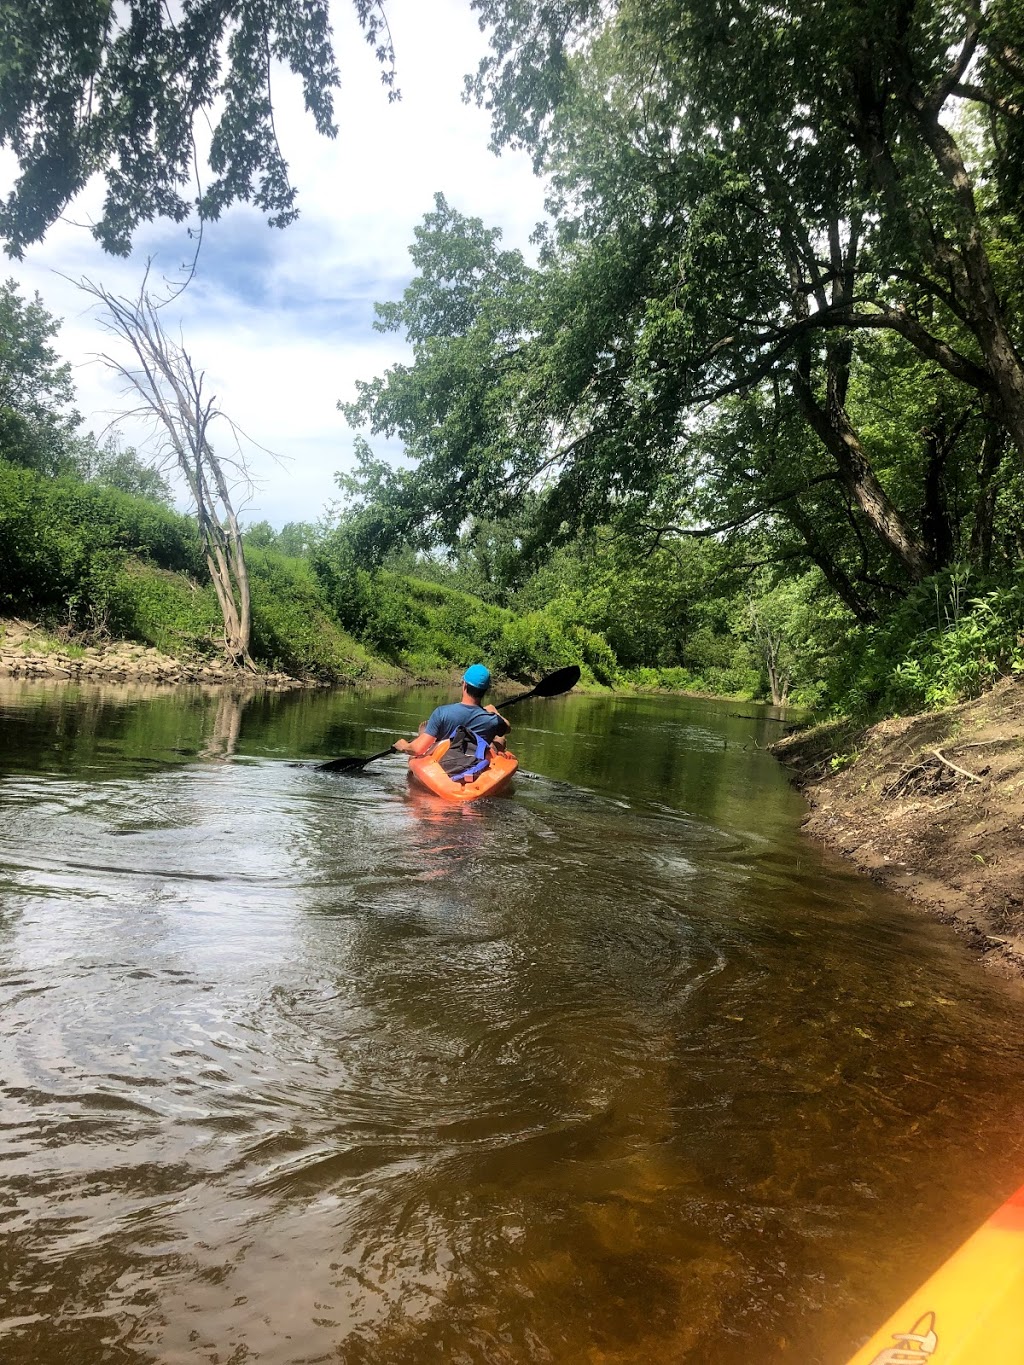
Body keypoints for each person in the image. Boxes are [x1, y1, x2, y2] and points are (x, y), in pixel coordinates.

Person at [393, 664, 510, 777]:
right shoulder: (493, 721)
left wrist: (403, 745)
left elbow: (417, 750)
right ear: (485, 691)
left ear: (464, 685)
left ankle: (427, 735)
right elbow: (507, 728)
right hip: (474, 763)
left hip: (443, 763)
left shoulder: (442, 713)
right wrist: (494, 712)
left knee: (426, 734)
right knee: (500, 739)